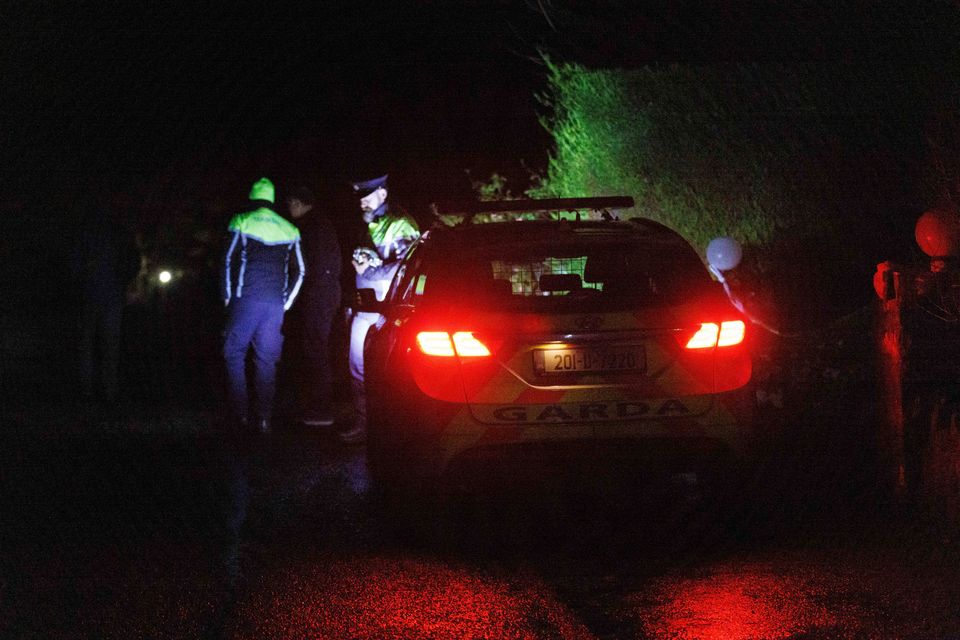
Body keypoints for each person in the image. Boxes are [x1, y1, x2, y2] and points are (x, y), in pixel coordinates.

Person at [222, 177, 304, 434]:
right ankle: (264, 419)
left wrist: (228, 297)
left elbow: (227, 261)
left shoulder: (241, 221)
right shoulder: (290, 229)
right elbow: (300, 271)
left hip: (245, 300)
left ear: (252, 197)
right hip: (274, 306)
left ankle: (241, 416)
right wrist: (286, 303)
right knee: (266, 361)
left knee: (233, 354)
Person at [342, 174, 420, 444]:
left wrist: (371, 271)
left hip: (389, 312)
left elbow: (407, 265)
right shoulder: (369, 223)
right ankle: (364, 426)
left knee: (388, 373)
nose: (362, 201)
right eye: (360, 196)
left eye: (367, 195)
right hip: (365, 309)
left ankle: (390, 430)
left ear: (383, 195)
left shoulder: (400, 224)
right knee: (357, 368)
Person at [71, 191, 140, 408]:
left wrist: (81, 281)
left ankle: (88, 390)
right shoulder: (118, 233)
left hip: (92, 294)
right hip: (110, 295)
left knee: (88, 344)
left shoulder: (87, 233)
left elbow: (74, 266)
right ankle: (107, 390)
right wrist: (125, 282)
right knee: (109, 344)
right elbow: (133, 262)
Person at [285, 186, 341, 426]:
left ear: (298, 202)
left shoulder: (311, 227)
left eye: (290, 203)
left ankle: (322, 410)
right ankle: (319, 406)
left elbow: (308, 266)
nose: (288, 209)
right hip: (323, 295)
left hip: (318, 297)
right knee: (316, 349)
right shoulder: (320, 224)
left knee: (316, 350)